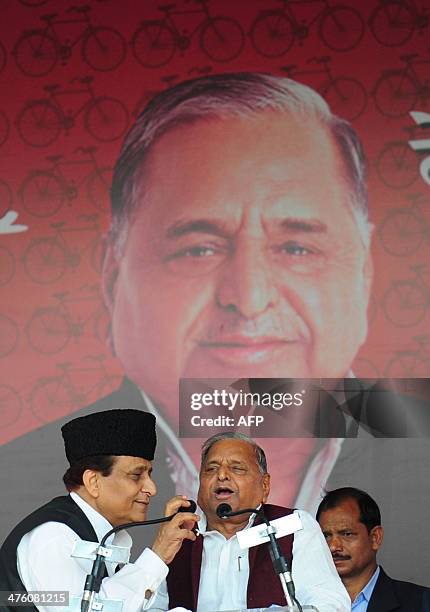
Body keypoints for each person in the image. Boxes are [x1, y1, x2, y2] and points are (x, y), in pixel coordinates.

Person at [1, 72, 430, 583]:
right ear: (113, 272)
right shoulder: (16, 475)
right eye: (197, 248)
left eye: (298, 248)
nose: (248, 299)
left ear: (364, 270)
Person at [0, 409, 198, 612]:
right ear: (93, 482)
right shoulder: (53, 537)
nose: (152, 489)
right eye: (136, 475)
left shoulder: (111, 536)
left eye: (149, 474)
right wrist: (157, 554)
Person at [149, 432, 350, 612]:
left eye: (237, 469)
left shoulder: (293, 526)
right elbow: (149, 607)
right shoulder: (179, 536)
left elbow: (331, 604)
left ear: (264, 485)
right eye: (211, 469)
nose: (221, 475)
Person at [316, 487, 429, 611]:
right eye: (326, 536)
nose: (333, 546)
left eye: (346, 534)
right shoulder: (301, 604)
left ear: (375, 537)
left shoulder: (421, 603)